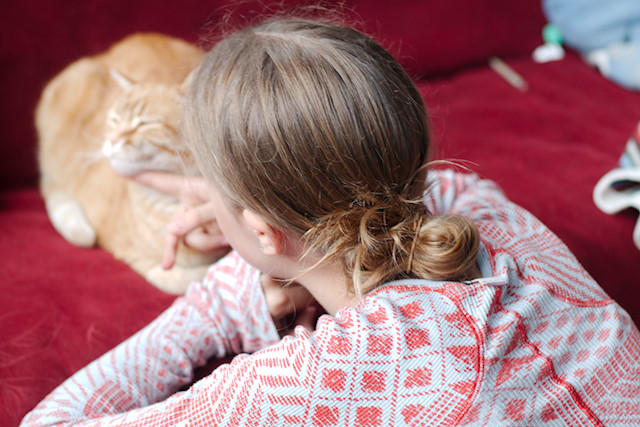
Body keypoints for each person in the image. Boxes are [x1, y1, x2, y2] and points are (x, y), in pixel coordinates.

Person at [22, 17, 640, 426]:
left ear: (262, 231)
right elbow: (451, 187)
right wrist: (260, 224)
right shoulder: (498, 223)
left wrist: (243, 273)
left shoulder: (321, 377)